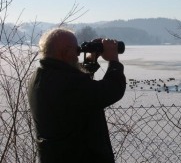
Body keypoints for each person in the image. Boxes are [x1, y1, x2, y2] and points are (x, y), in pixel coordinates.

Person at [27, 28, 126, 163]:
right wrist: (114, 60)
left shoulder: (41, 76)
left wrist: (91, 60)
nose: (78, 55)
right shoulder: (67, 83)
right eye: (76, 50)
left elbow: (81, 94)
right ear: (65, 52)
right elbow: (112, 90)